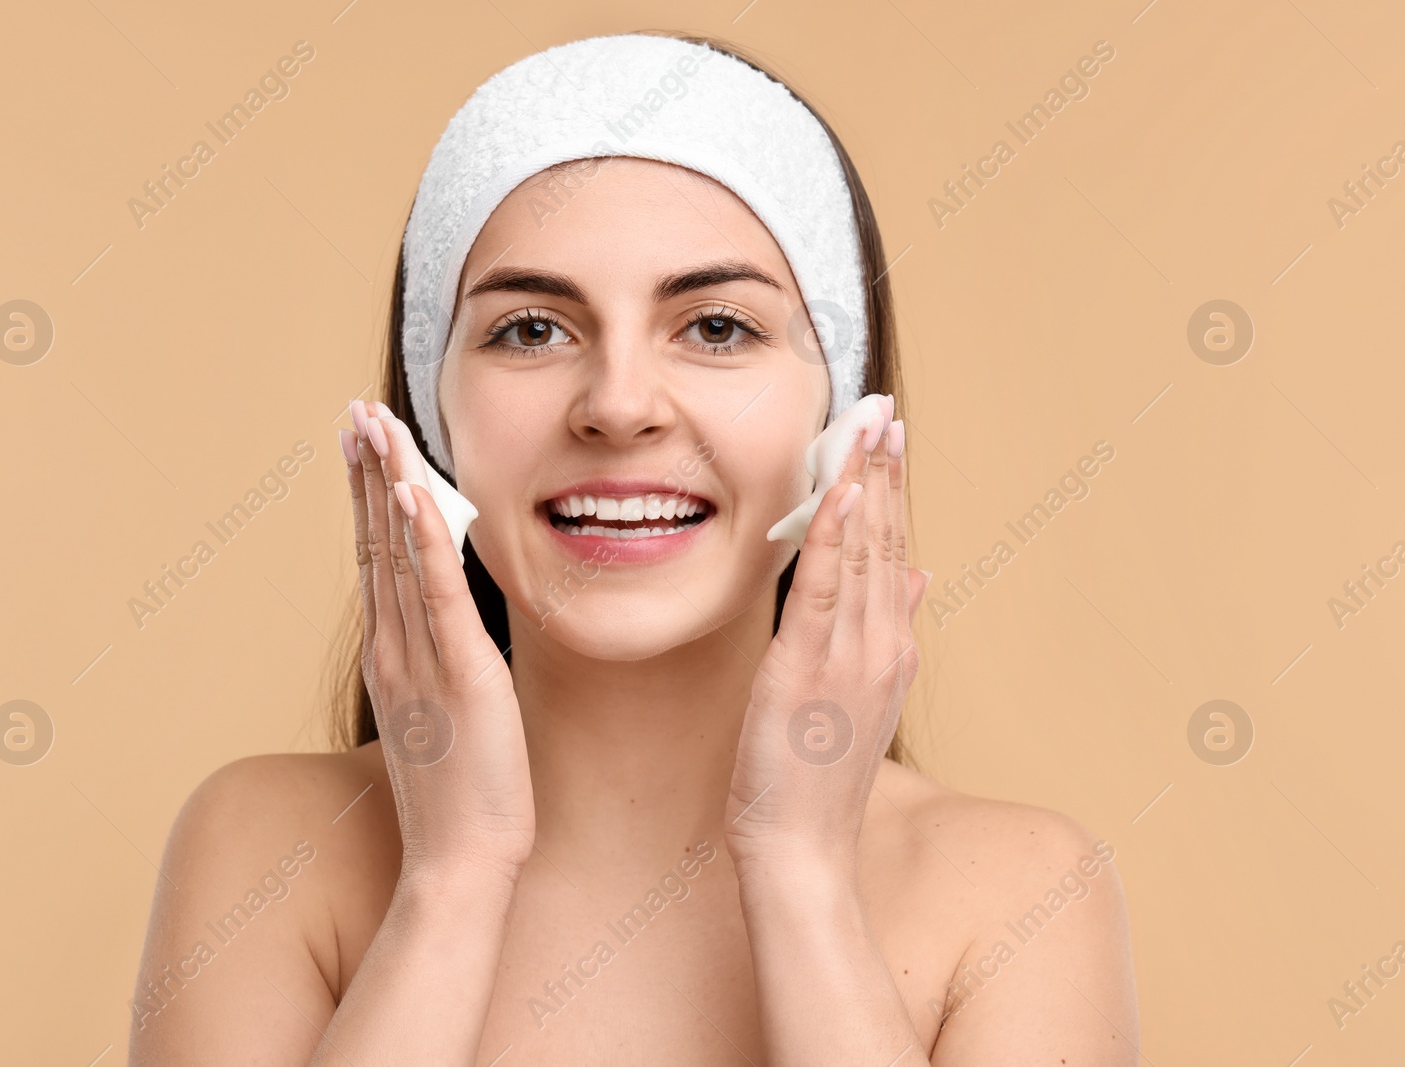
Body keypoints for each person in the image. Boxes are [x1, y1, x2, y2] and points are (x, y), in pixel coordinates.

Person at [128, 30, 1137, 1065]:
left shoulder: (1020, 893)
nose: (616, 405)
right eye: (530, 329)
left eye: (713, 328)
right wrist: (453, 879)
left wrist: (800, 877)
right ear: (431, 420)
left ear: (841, 409)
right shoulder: (263, 850)